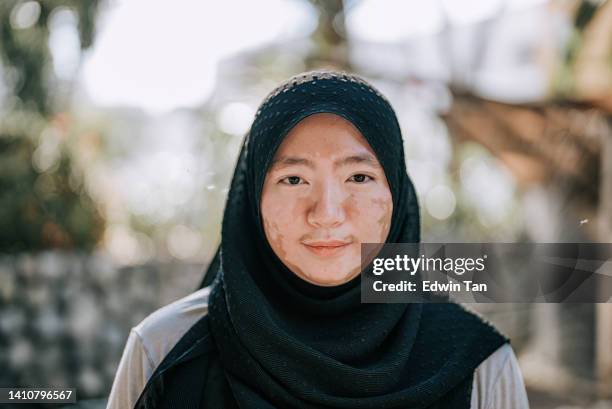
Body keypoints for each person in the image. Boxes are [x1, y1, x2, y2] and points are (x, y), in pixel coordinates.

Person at [107, 71, 530, 409]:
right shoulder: (164, 352)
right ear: (253, 196)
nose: (326, 213)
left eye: (359, 177)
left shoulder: (478, 368)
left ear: (397, 195)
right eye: (293, 179)